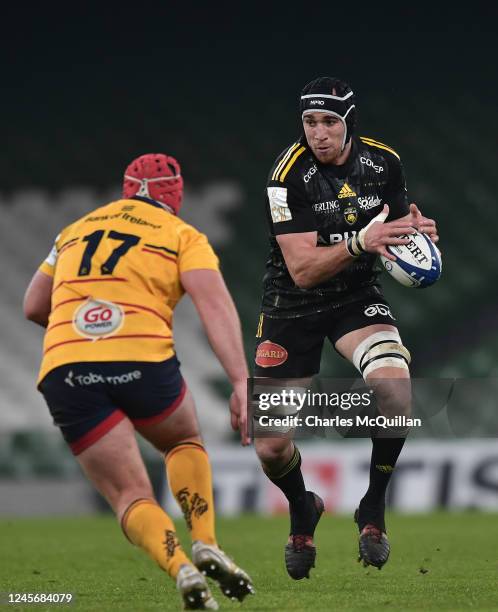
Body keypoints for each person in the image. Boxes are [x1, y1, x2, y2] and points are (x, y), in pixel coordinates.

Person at [23, 153, 254, 610]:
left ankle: (181, 568)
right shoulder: (183, 235)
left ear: (127, 188)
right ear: (177, 194)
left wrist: (83, 325)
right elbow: (214, 305)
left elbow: (33, 306)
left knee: (130, 495)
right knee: (183, 441)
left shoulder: (73, 231)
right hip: (139, 356)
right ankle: (205, 541)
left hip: (67, 367)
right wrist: (241, 380)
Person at [253, 77, 439, 579]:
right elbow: (303, 270)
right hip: (291, 306)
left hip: (356, 298)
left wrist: (415, 233)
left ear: (348, 123)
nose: (318, 133)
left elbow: (396, 225)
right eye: (310, 122)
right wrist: (363, 241)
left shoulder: (385, 163)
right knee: (270, 445)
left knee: (395, 392)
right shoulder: (285, 177)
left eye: (329, 122)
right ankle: (301, 507)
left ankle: (373, 507)